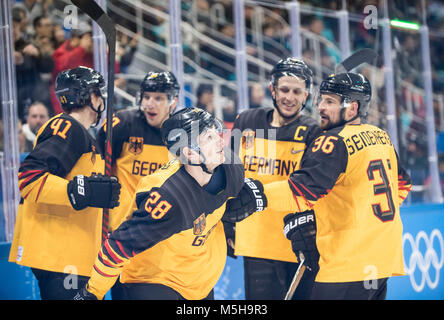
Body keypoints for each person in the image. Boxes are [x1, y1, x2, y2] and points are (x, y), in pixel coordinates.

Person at [73, 107, 267, 300]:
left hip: (198, 283)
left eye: (215, 131)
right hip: (154, 281)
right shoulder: (168, 198)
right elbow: (118, 246)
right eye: (208, 137)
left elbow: (223, 206)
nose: (219, 139)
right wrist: (92, 293)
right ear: (190, 154)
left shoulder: (230, 166)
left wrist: (232, 225)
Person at [265, 72, 412, 299]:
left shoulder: (332, 141)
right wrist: (364, 220)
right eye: (321, 99)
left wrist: (252, 194)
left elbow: (300, 192)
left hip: (346, 264)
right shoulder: (381, 136)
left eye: (330, 102)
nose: (321, 107)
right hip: (381, 261)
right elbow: (401, 186)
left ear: (353, 108)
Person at [8, 66, 121, 300]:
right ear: (90, 97)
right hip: (61, 256)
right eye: (99, 94)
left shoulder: (81, 133)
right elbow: (30, 177)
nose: (102, 101)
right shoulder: (68, 127)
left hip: (71, 255)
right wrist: (81, 191)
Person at [227, 57, 322, 299]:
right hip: (256, 243)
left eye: (297, 91)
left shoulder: (313, 131)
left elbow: (317, 186)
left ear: (306, 95)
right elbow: (228, 172)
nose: (289, 97)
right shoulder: (246, 121)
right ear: (272, 90)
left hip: (299, 244)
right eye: (284, 90)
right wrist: (226, 222)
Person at [97, 71, 179, 235]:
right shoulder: (121, 125)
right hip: (118, 228)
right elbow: (99, 169)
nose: (150, 103)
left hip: (160, 229)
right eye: (146, 97)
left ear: (173, 102)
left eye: (158, 98)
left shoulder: (181, 135)